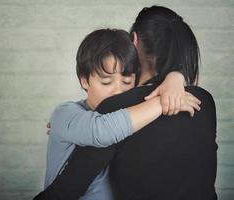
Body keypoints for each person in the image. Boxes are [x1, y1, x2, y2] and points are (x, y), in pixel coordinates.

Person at [33, 5, 217, 200]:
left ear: (134, 41)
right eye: (106, 81)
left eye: (126, 81)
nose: (117, 89)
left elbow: (67, 190)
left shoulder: (117, 107)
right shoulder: (204, 101)